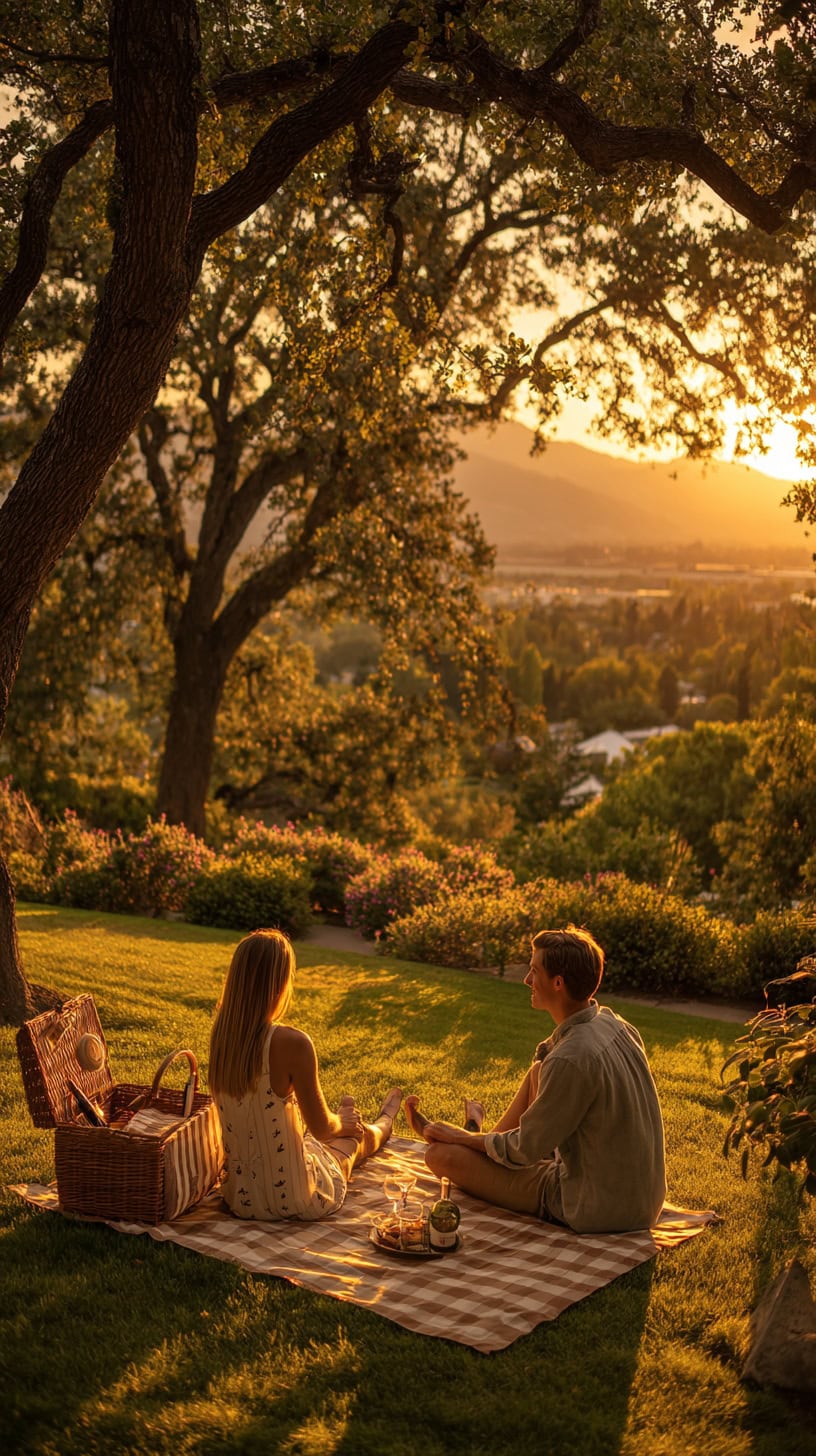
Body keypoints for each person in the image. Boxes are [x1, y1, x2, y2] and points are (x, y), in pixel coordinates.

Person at [405, 926, 666, 1233]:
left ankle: (470, 1137)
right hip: (643, 1199)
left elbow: (523, 1149)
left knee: (440, 1156)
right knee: (536, 1074)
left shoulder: (570, 1059)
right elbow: (549, 1064)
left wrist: (461, 1140)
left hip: (594, 1207)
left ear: (557, 983)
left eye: (533, 971)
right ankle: (479, 1141)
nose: (527, 980)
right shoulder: (615, 1023)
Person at [209, 928, 402, 1220]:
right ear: (281, 984)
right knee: (352, 1142)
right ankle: (384, 1121)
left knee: (317, 1139)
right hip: (298, 1198)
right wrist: (343, 1123)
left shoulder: (222, 1037)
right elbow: (324, 1129)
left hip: (242, 1199)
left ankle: (357, 1117)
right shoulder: (292, 1042)